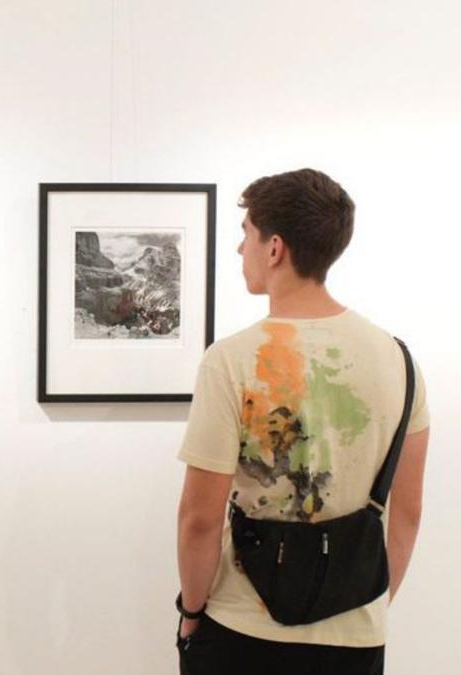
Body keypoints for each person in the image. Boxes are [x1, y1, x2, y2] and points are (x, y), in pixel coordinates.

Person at [174, 168, 429, 674]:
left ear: (274, 248)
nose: (238, 248)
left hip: (244, 630)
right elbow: (408, 511)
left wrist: (191, 613)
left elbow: (199, 518)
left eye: (245, 233)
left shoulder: (233, 359)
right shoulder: (399, 360)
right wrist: (366, 607)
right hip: (356, 637)